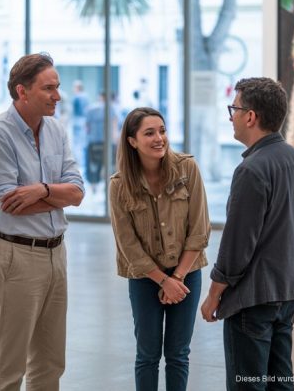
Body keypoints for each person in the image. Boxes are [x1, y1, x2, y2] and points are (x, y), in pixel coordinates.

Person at [0, 53, 85, 391]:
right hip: (18, 258)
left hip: (57, 255)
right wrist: (58, 196)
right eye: (49, 88)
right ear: (22, 92)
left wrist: (41, 189)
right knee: (11, 366)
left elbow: (78, 191)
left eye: (58, 87)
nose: (58, 95)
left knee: (51, 362)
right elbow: (10, 206)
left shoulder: (55, 129)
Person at [200, 77, 294, 390]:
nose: (231, 116)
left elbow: (238, 245)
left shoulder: (252, 170)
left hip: (252, 299)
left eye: (234, 109)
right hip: (287, 290)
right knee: (280, 382)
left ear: (250, 116)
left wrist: (214, 294)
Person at [109, 107, 211, 391]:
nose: (159, 138)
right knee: (147, 355)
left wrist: (176, 278)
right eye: (149, 133)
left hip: (186, 273)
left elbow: (200, 229)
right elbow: (127, 244)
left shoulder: (187, 168)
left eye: (162, 131)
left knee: (178, 354)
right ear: (132, 141)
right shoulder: (119, 186)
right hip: (145, 278)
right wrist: (163, 280)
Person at [84, 91, 118, 193]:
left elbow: (87, 127)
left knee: (93, 165)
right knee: (108, 164)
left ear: (100, 97)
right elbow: (114, 125)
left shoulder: (90, 109)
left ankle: (94, 187)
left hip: (93, 141)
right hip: (107, 142)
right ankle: (107, 188)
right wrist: (115, 140)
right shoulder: (111, 108)